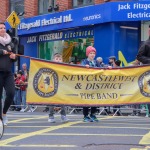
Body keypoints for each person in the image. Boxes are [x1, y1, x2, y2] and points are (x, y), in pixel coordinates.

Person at [0, 22, 17, 125]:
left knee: (11, 93)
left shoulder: (10, 42)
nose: (2, 29)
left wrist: (14, 57)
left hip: (8, 72)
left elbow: (15, 56)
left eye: (4, 27)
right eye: (0, 28)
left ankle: (4, 113)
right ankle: (0, 119)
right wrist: (2, 52)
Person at [48, 53, 69, 123]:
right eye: (56, 59)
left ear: (62, 60)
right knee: (51, 101)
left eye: (60, 59)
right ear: (53, 60)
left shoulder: (64, 68)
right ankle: (51, 116)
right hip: (52, 86)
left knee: (63, 101)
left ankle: (63, 115)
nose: (58, 60)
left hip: (61, 86)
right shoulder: (50, 67)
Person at [81, 46, 99, 122]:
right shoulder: (84, 61)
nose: (92, 54)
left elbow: (102, 68)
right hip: (86, 85)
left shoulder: (97, 62)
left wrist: (108, 68)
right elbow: (80, 69)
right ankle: (85, 115)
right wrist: (84, 67)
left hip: (95, 85)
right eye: (91, 53)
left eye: (93, 53)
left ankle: (93, 114)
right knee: (86, 100)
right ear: (87, 54)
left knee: (95, 100)